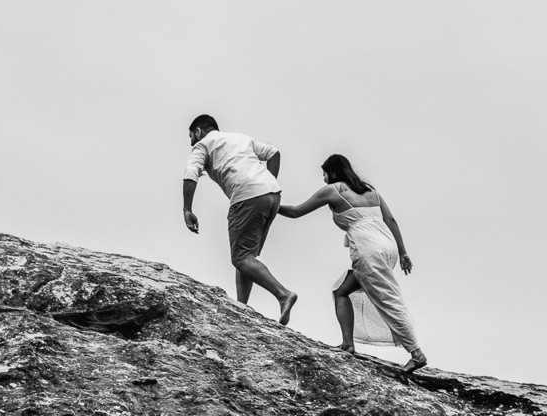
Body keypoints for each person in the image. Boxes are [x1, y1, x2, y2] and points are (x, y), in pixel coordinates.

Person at [278, 154, 427, 374]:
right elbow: (391, 220)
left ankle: (417, 354)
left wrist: (269, 204)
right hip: (388, 248)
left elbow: (296, 211)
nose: (324, 178)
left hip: (368, 250)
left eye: (324, 173)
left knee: (388, 299)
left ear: (333, 172)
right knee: (341, 290)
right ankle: (348, 344)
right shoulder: (370, 191)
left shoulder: (334, 189)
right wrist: (403, 253)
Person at [182, 115, 298, 324]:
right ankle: (241, 307)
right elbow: (273, 153)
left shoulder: (202, 145)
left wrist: (187, 209)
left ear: (198, 131)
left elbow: (191, 173)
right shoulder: (240, 138)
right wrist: (268, 182)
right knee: (247, 256)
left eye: (191, 137)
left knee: (241, 257)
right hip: (272, 195)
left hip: (247, 196)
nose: (192, 142)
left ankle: (283, 294)